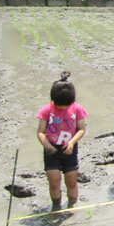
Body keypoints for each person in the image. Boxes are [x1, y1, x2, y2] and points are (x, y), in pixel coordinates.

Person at [36, 71, 87, 211]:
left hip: (69, 149)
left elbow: (81, 129)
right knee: (54, 181)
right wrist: (47, 145)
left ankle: (72, 206)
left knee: (71, 181)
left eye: (66, 106)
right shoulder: (47, 110)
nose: (63, 109)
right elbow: (40, 132)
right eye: (59, 106)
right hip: (51, 150)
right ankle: (56, 206)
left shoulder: (77, 108)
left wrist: (71, 142)